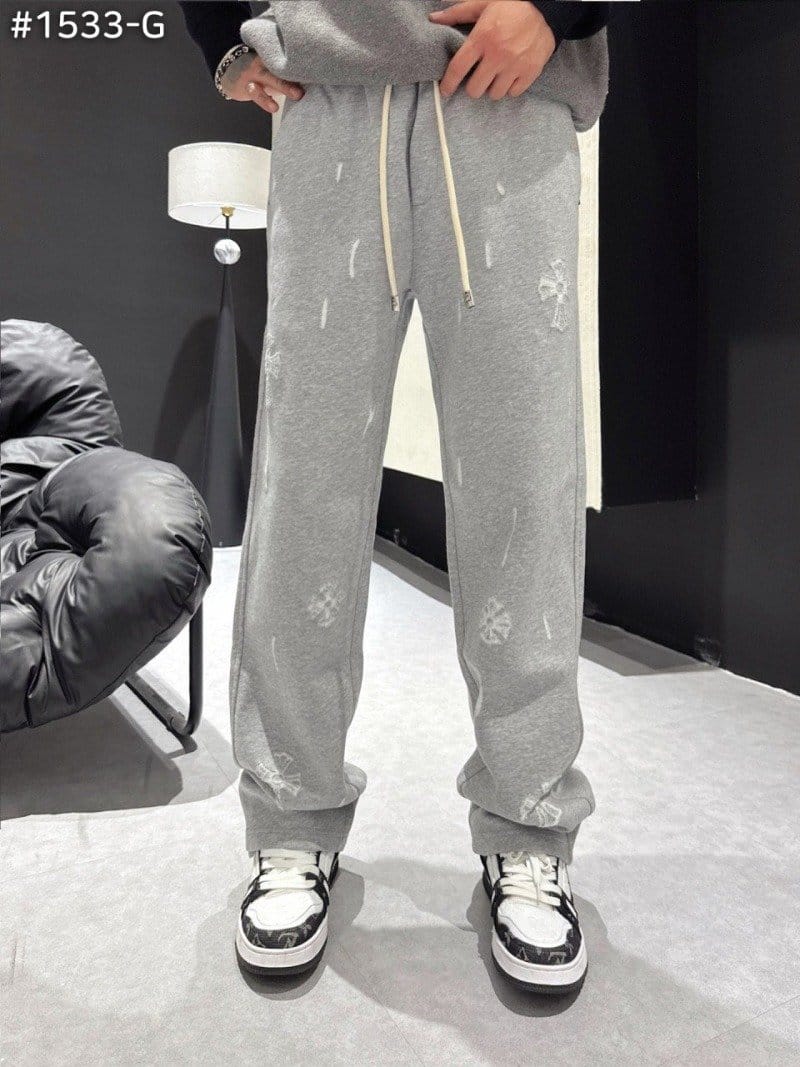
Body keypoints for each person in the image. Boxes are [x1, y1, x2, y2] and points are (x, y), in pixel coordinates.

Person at [180, 0, 609, 996]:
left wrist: (559, 8)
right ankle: (291, 819)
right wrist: (220, 34)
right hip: (329, 92)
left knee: (524, 484)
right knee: (303, 485)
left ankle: (529, 824)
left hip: (511, 87)